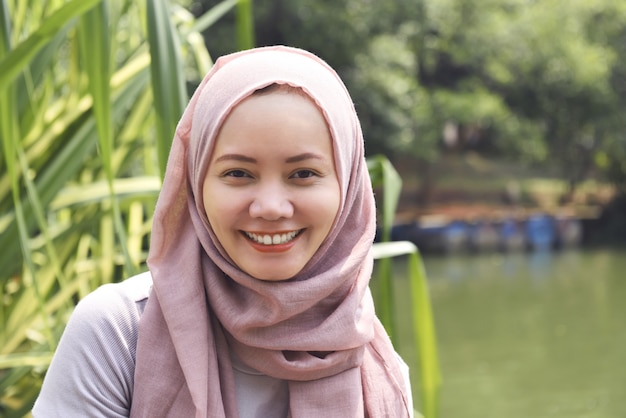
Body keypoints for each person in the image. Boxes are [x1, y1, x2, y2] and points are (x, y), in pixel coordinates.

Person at [33, 45, 414, 417]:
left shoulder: (377, 370)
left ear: (347, 188)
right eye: (238, 173)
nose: (270, 207)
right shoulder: (118, 334)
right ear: (197, 184)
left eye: (303, 174)